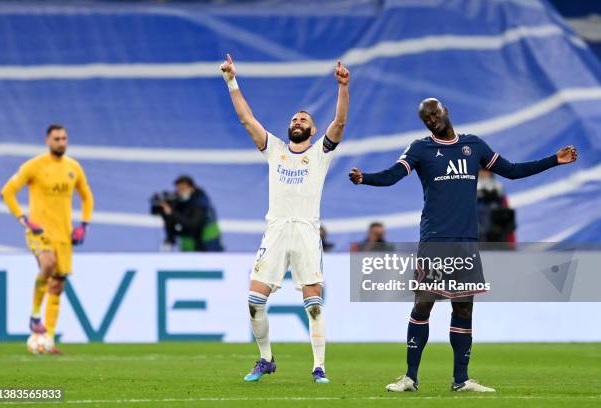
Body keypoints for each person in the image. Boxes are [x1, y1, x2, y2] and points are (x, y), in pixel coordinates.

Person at [349, 98, 577, 392]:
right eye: (426, 118)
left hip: (466, 241)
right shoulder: (420, 148)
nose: (431, 120)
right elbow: (393, 175)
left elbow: (513, 170)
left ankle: (461, 380)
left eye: (434, 113)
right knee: (423, 304)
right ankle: (410, 377)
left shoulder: (474, 146)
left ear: (445, 111)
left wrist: (554, 160)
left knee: (464, 308)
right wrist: (364, 178)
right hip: (435, 240)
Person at [220, 53, 349, 383]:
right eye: (294, 119)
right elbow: (247, 120)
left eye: (304, 120)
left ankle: (319, 366)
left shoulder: (320, 153)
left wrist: (343, 88)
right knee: (254, 301)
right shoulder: (274, 149)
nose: (297, 122)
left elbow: (340, 124)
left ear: (313, 129)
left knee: (314, 304)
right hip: (275, 231)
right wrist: (231, 80)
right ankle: (266, 359)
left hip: (305, 232)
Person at [1, 124, 94, 353]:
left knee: (58, 285)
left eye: (64, 138)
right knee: (48, 264)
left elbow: (87, 196)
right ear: (47, 141)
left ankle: (48, 339)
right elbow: (7, 191)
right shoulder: (34, 166)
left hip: (64, 236)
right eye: (57, 139)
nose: (61, 142)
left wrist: (84, 224)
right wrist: (23, 219)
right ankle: (34, 316)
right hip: (39, 233)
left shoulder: (73, 167)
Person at [158, 175, 223, 252]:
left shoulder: (200, 203)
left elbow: (193, 224)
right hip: (188, 242)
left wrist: (172, 212)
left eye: (183, 189)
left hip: (209, 241)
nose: (180, 192)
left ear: (192, 188)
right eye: (178, 189)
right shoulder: (179, 199)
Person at [477, 168, 516, 246]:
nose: (484, 174)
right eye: (481, 172)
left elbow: (506, 209)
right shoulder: (471, 187)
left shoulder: (498, 187)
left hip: (499, 231)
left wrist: (511, 242)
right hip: (481, 233)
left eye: (486, 172)